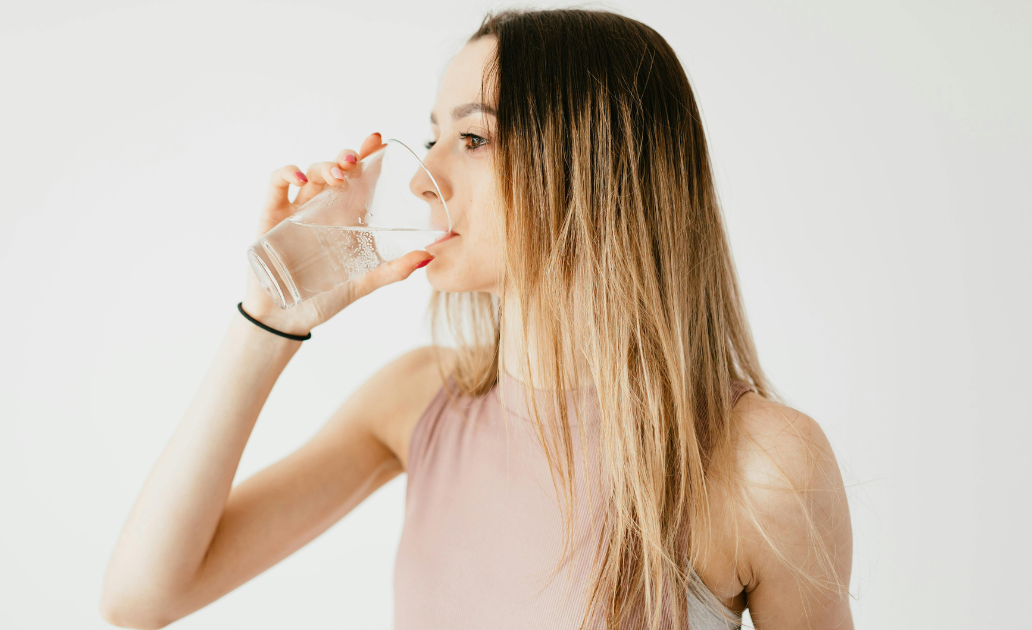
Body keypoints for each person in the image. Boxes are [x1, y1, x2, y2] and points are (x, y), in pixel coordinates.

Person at [100, 8, 853, 630]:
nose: (423, 179)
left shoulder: (762, 466)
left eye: (474, 138)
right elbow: (142, 598)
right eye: (432, 136)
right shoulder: (420, 400)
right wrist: (267, 319)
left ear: (596, 166)